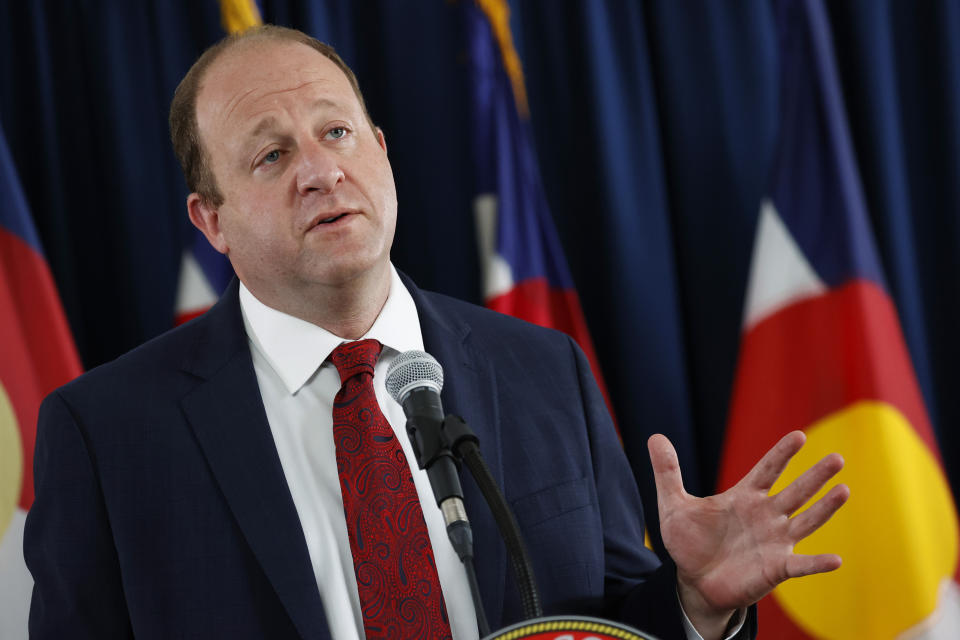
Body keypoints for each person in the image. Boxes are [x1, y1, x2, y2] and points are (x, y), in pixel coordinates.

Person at [24, 25, 848, 640]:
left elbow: (598, 625)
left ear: (381, 152)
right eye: (270, 157)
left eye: (336, 132)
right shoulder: (106, 433)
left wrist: (691, 602)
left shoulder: (541, 368)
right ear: (212, 221)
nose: (321, 170)